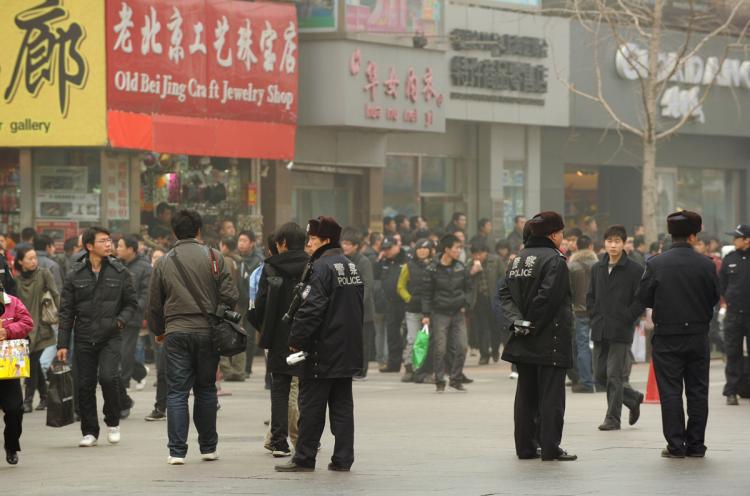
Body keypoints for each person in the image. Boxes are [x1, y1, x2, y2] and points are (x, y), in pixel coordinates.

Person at [148, 210, 238, 464]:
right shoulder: (214, 257)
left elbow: (154, 302)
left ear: (174, 232)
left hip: (176, 332)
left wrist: (159, 331)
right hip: (208, 332)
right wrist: (216, 316)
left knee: (176, 392)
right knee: (206, 389)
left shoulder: (164, 261)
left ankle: (177, 451)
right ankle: (208, 448)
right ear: (199, 229)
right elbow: (230, 295)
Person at [275, 216, 364, 473]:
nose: (308, 245)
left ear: (325, 240)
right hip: (347, 349)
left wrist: (296, 339)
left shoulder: (321, 268)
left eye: (312, 240)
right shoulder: (350, 266)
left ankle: (304, 457)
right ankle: (343, 458)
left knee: (311, 405)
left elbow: (311, 309)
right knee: (342, 406)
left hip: (321, 349)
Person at [638, 211, 720, 458]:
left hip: (667, 336)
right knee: (697, 391)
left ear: (670, 234)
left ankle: (675, 445)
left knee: (670, 391)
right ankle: (696, 444)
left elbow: (644, 297)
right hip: (697, 334)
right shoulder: (706, 264)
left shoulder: (655, 263)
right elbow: (715, 296)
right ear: (694, 236)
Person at [500, 211, 577, 461]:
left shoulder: (517, 259)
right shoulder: (555, 260)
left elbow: (504, 294)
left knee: (526, 396)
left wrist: (517, 322)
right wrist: (532, 323)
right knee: (551, 396)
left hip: (523, 339)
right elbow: (548, 298)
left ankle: (525, 447)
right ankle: (550, 448)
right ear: (554, 234)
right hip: (550, 339)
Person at [56, 227, 138, 448]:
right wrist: (62, 343)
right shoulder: (75, 274)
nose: (108, 244)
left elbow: (132, 304)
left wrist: (119, 321)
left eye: (110, 241)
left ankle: (113, 421)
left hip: (111, 336)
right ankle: (89, 431)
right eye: (103, 241)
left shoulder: (120, 272)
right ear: (90, 246)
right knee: (84, 384)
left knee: (109, 378)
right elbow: (66, 311)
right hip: (83, 337)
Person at [248, 223, 309, 458]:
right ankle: (306, 441)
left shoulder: (270, 268)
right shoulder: (312, 266)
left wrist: (264, 329)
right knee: (307, 390)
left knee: (280, 389)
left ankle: (280, 442)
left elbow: (260, 305)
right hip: (307, 337)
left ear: (281, 243)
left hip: (279, 338)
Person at [587, 225, 646, 430]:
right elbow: (590, 296)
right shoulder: (597, 268)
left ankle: (613, 419)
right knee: (599, 375)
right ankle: (632, 398)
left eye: (617, 241)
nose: (613, 245)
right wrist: (594, 314)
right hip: (600, 328)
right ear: (604, 243)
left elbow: (640, 300)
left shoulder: (635, 270)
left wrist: (627, 317)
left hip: (621, 330)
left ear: (623, 243)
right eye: (609, 241)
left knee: (614, 375)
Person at [422, 233, 471, 392]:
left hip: (458, 312)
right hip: (440, 313)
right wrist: (426, 315)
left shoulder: (461, 267)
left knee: (462, 346)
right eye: (457, 248)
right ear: (447, 249)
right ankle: (439, 380)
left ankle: (456, 378)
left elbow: (468, 289)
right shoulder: (432, 268)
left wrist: (466, 304)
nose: (459, 251)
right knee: (440, 348)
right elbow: (427, 293)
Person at [14, 246, 59, 413]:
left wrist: (64, 318)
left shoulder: (44, 273)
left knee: (31, 363)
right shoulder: (17, 280)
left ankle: (28, 400)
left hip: (42, 328)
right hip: (24, 329)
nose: (34, 261)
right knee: (34, 364)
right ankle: (45, 397)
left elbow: (55, 294)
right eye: (30, 258)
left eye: (35, 258)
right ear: (20, 262)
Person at [115, 235, 152, 419]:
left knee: (125, 354)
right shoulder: (116, 265)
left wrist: (135, 309)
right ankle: (138, 372)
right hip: (114, 317)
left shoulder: (144, 267)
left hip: (131, 318)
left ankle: (123, 398)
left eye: (120, 245)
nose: (117, 248)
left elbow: (146, 293)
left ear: (131, 249)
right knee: (116, 355)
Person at [0, 286, 34, 465]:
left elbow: (27, 322)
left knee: (15, 410)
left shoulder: (12, 303)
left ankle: (11, 445)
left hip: (8, 368)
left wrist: (8, 331)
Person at [719, 224, 750, 406]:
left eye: (737, 237)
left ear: (747, 240)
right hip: (734, 315)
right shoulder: (730, 259)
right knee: (733, 353)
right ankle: (731, 390)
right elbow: (722, 284)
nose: (733, 241)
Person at [340, 229, 376, 379]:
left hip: (363, 310)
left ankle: (361, 370)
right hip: (345, 309)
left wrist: (357, 305)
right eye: (344, 243)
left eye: (349, 244)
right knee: (348, 341)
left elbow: (367, 285)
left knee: (363, 342)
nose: (345, 247)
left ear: (356, 246)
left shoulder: (363, 261)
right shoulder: (341, 260)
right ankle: (349, 368)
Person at [397, 238, 433, 382]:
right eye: (420, 248)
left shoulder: (434, 265)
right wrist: (409, 298)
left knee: (426, 341)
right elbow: (400, 286)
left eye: (426, 248)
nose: (423, 251)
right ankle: (409, 367)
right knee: (412, 339)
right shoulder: (408, 266)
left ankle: (423, 369)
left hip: (430, 311)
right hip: (413, 309)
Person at [568, 235, 598, 394]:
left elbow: (568, 290)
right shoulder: (599, 265)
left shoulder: (572, 266)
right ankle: (600, 380)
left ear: (577, 247)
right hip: (598, 311)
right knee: (600, 345)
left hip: (579, 312)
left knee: (582, 346)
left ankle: (586, 381)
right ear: (591, 246)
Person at [374, 235, 406, 373]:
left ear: (397, 247)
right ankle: (394, 364)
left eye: (389, 248)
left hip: (404, 302)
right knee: (392, 335)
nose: (386, 251)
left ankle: (411, 362)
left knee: (407, 334)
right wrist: (379, 260)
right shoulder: (384, 262)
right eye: (384, 249)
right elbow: (375, 275)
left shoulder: (406, 259)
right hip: (390, 303)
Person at [468, 240, 503, 365]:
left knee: (495, 328)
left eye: (480, 254)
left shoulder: (495, 260)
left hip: (494, 299)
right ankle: (484, 354)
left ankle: (494, 350)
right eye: (475, 254)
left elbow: (502, 277)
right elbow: (465, 281)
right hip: (478, 300)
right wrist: (472, 272)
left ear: (486, 252)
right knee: (482, 328)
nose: (477, 257)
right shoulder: (469, 263)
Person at [219, 237, 246, 382]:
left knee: (222, 335)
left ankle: (227, 371)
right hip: (239, 303)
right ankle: (239, 370)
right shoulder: (239, 261)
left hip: (226, 304)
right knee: (238, 334)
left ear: (224, 247)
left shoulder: (224, 261)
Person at [237, 230, 263, 378]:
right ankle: (240, 366)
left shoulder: (257, 260)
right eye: (239, 240)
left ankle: (247, 367)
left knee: (249, 335)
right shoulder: (236, 258)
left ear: (252, 243)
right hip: (239, 302)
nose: (241, 244)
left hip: (252, 302)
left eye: (244, 241)